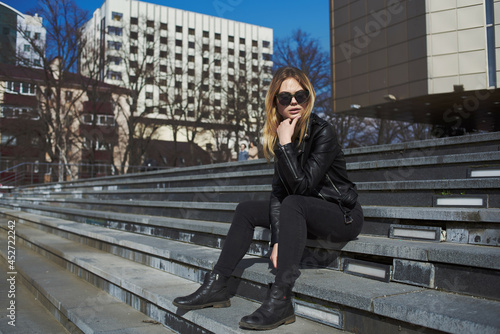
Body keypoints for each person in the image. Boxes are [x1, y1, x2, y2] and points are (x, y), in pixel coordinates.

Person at [173, 67, 364, 330]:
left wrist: (285, 145)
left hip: (342, 215)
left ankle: (281, 298)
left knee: (293, 203)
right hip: (302, 209)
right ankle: (216, 284)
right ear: (275, 102)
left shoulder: (323, 132)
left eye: (300, 95)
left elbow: (302, 187)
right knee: (246, 209)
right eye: (285, 98)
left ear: (309, 96)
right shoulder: (282, 135)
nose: (294, 102)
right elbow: (278, 193)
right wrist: (277, 238)